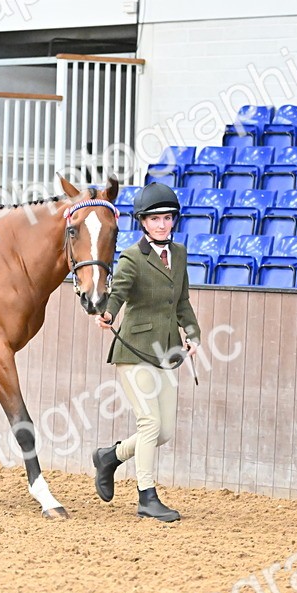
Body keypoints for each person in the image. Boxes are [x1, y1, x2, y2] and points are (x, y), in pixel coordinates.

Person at [92, 182, 201, 522]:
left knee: (164, 432)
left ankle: (111, 456)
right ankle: (146, 496)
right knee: (150, 422)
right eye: (155, 219)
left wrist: (193, 333)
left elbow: (181, 301)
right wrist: (107, 313)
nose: (162, 224)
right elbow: (118, 293)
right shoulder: (131, 258)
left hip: (167, 351)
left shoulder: (180, 255)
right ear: (142, 222)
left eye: (168, 218)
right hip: (134, 350)